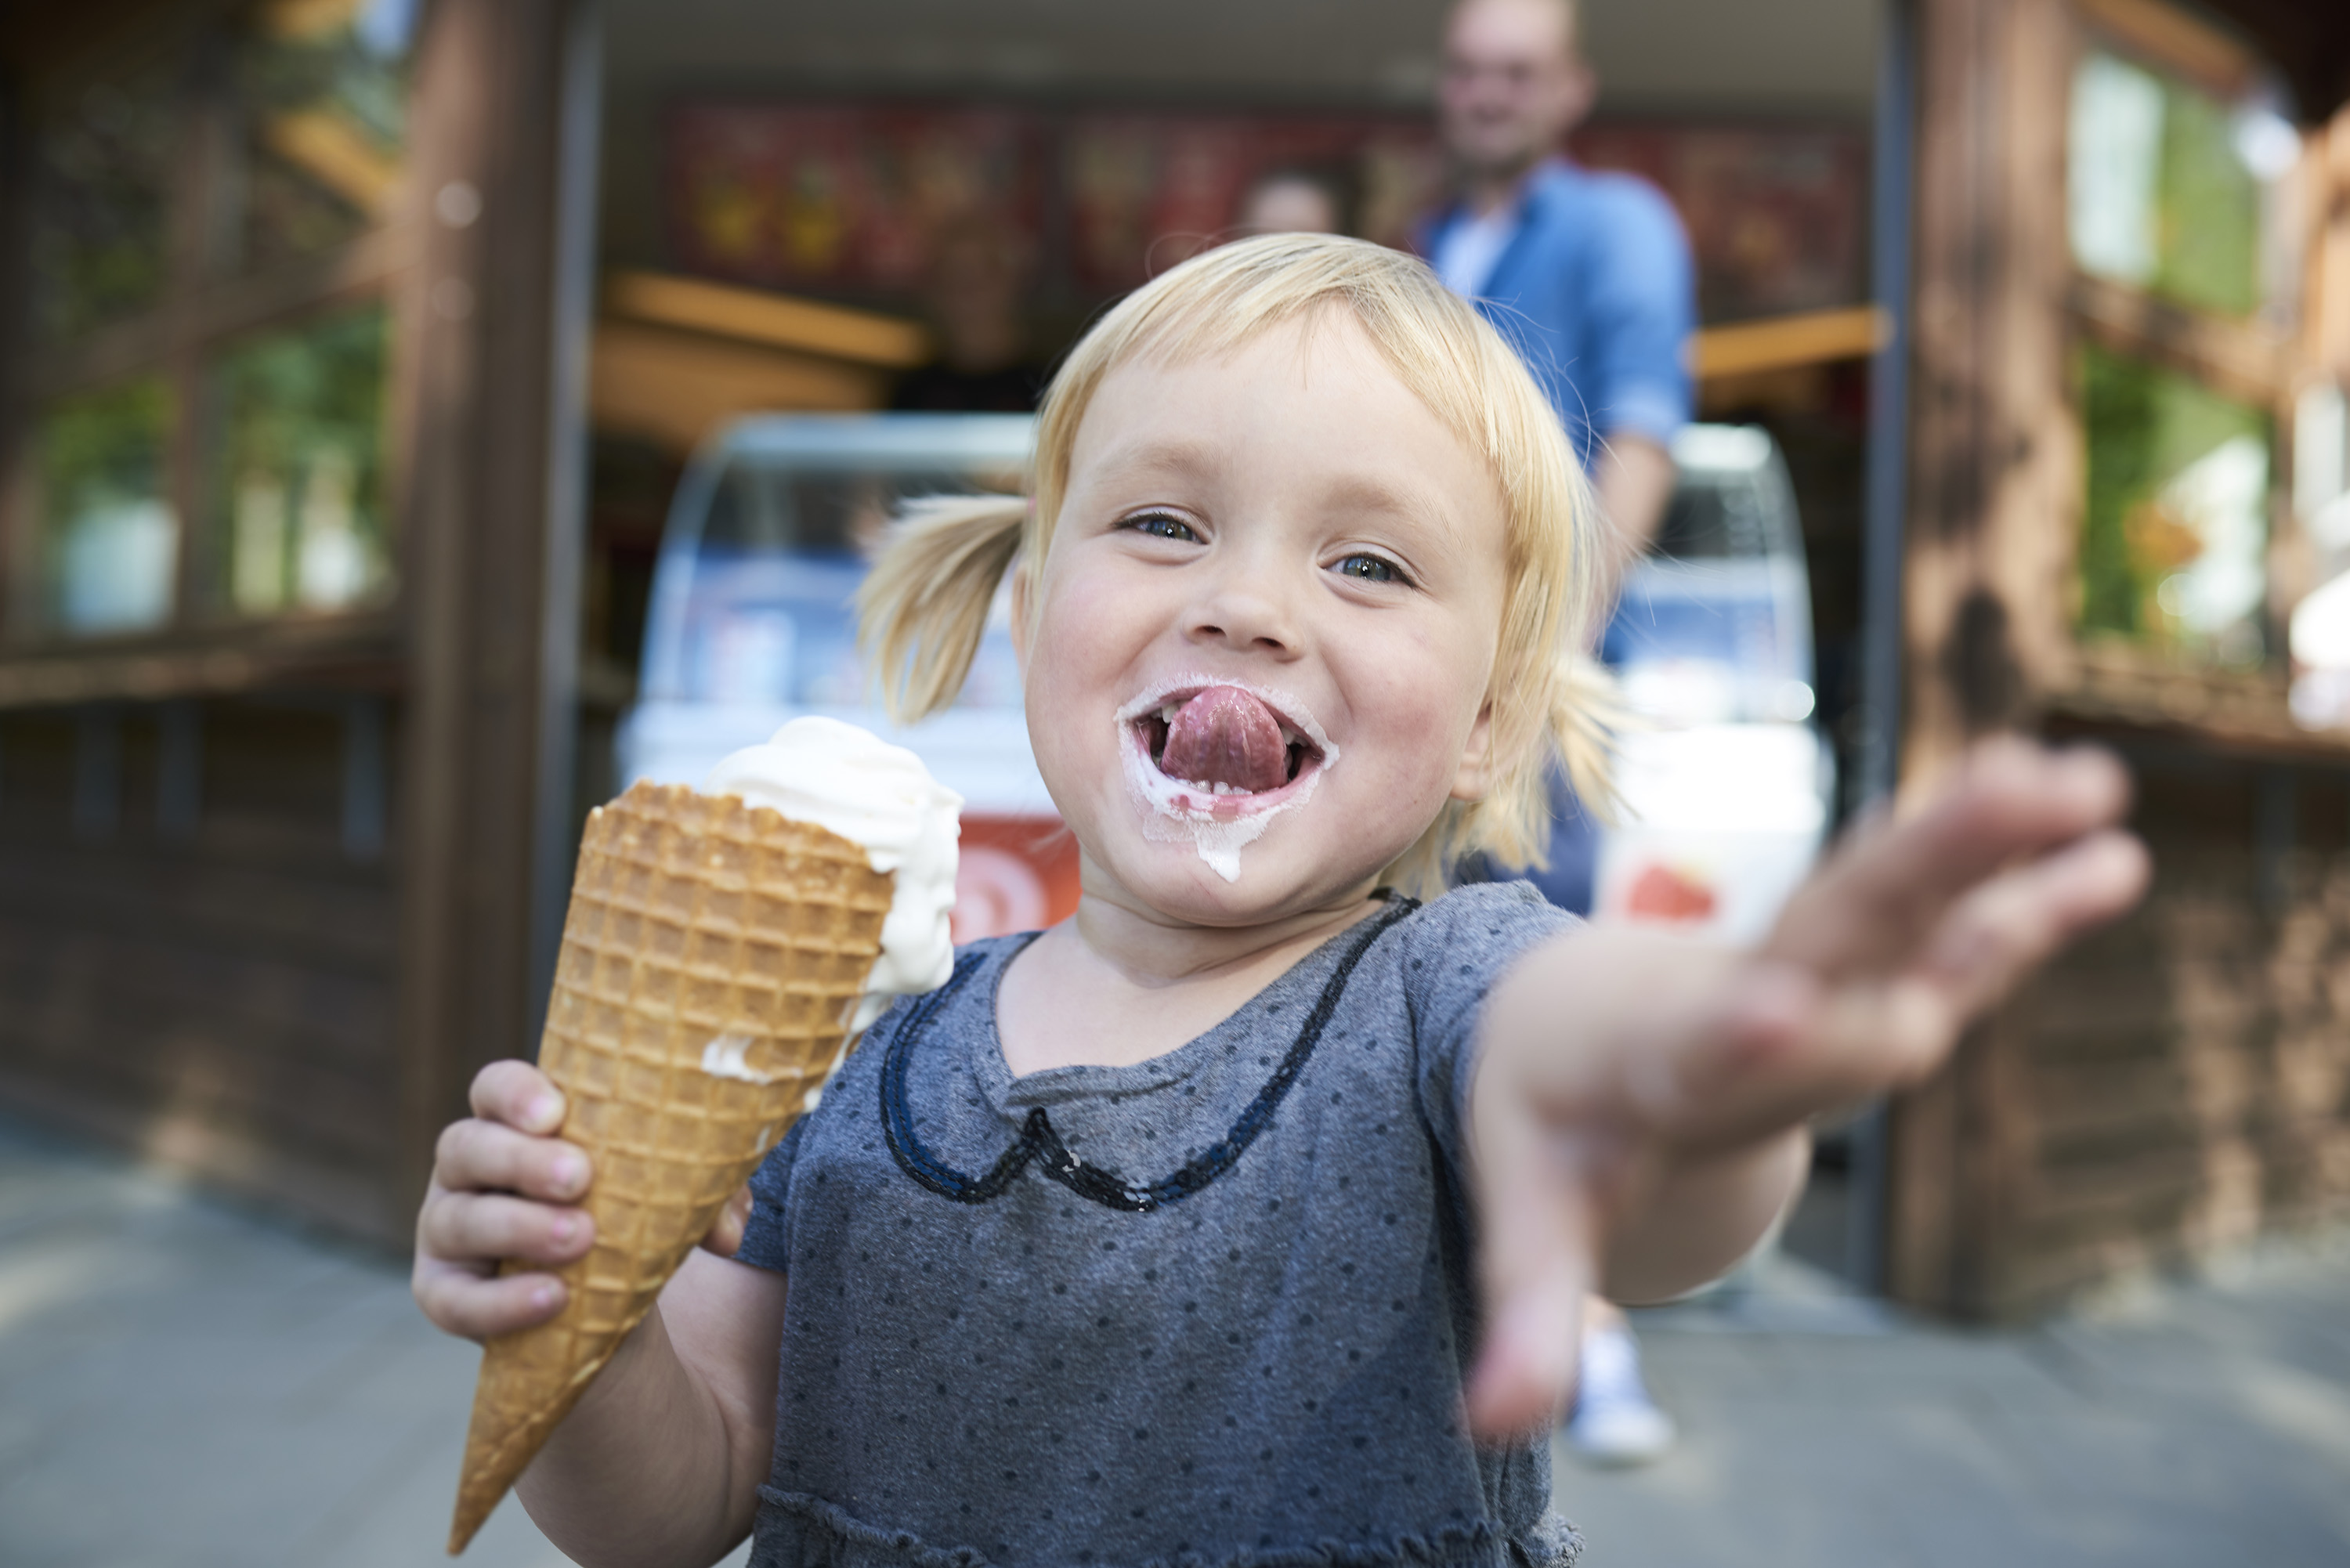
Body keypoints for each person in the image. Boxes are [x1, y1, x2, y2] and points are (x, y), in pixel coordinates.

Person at [412, 235, 2146, 1568]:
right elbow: (686, 1485)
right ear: (1032, 611)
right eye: (1164, 522)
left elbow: (1593, 1087)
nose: (1246, 601)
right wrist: (578, 1316)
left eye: (1369, 562)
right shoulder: (867, 1049)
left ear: (1487, 722)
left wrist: (1703, 1079)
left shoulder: (1448, 992)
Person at [1423, 0, 1696, 1462]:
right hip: (1421, 691)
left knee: (1542, 998)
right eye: (1468, 68)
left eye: (1517, 70)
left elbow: (1637, 443)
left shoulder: (1616, 227)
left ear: (1573, 89)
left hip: (1534, 699)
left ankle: (1588, 1334)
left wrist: (1542, 665)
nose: (1489, 92)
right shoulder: (1425, 249)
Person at [891, 210, 1052, 414]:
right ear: (932, 292)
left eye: (984, 272)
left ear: (1014, 282)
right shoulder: (910, 396)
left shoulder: (1051, 389)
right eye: (953, 275)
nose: (969, 290)